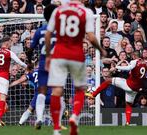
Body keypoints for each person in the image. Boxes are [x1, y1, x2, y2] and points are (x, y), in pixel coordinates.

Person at [44, 1, 106, 135]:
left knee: (57, 91)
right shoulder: (87, 12)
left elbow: (48, 34)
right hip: (77, 55)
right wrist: (100, 49)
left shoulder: (58, 10)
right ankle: (74, 117)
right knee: (80, 89)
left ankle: (56, 129)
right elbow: (90, 37)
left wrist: (48, 55)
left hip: (59, 54)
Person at [86, 51, 147, 125]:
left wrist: (116, 67)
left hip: (128, 84)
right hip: (135, 89)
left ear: (133, 56)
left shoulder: (134, 61)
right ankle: (127, 122)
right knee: (128, 104)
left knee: (108, 81)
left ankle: (93, 94)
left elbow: (128, 68)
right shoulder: (146, 63)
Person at [26, 4, 58, 130]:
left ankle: (39, 118)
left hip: (43, 63)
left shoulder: (39, 31)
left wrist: (29, 62)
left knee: (41, 92)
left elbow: (30, 49)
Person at [0, 37, 27, 126]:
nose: (10, 44)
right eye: (10, 42)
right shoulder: (9, 52)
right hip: (3, 78)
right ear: (6, 43)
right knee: (3, 98)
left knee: (1, 97)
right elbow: (19, 62)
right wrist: (27, 67)